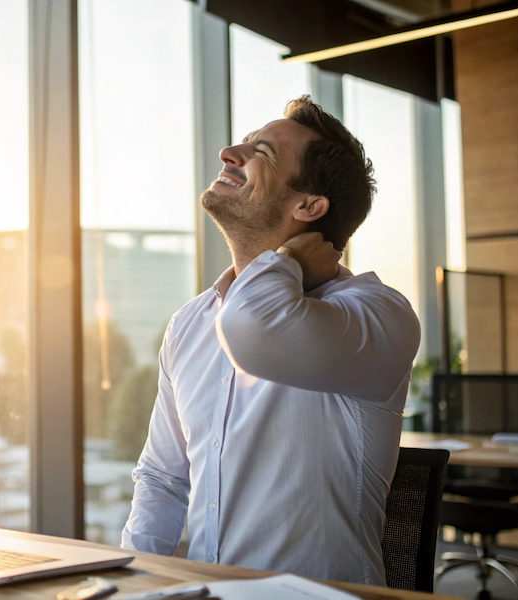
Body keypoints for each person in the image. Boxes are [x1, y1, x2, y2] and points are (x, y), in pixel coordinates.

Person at [120, 95, 421, 586]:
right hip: (206, 596)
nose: (228, 153)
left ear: (309, 206)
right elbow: (164, 478)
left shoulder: (377, 315)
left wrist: (289, 262)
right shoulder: (190, 323)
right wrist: (131, 582)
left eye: (260, 152)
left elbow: (253, 327)